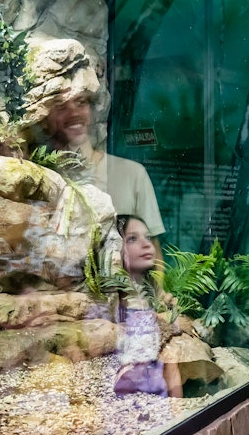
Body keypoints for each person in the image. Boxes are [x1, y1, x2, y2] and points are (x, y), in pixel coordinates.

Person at [45, 89, 166, 237]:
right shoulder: (39, 177)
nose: (74, 113)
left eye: (81, 103)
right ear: (44, 117)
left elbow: (153, 252)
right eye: (60, 105)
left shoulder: (132, 174)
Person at [112, 214, 182, 397]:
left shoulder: (155, 298)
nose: (146, 244)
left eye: (148, 237)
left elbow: (170, 364)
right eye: (133, 238)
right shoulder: (113, 303)